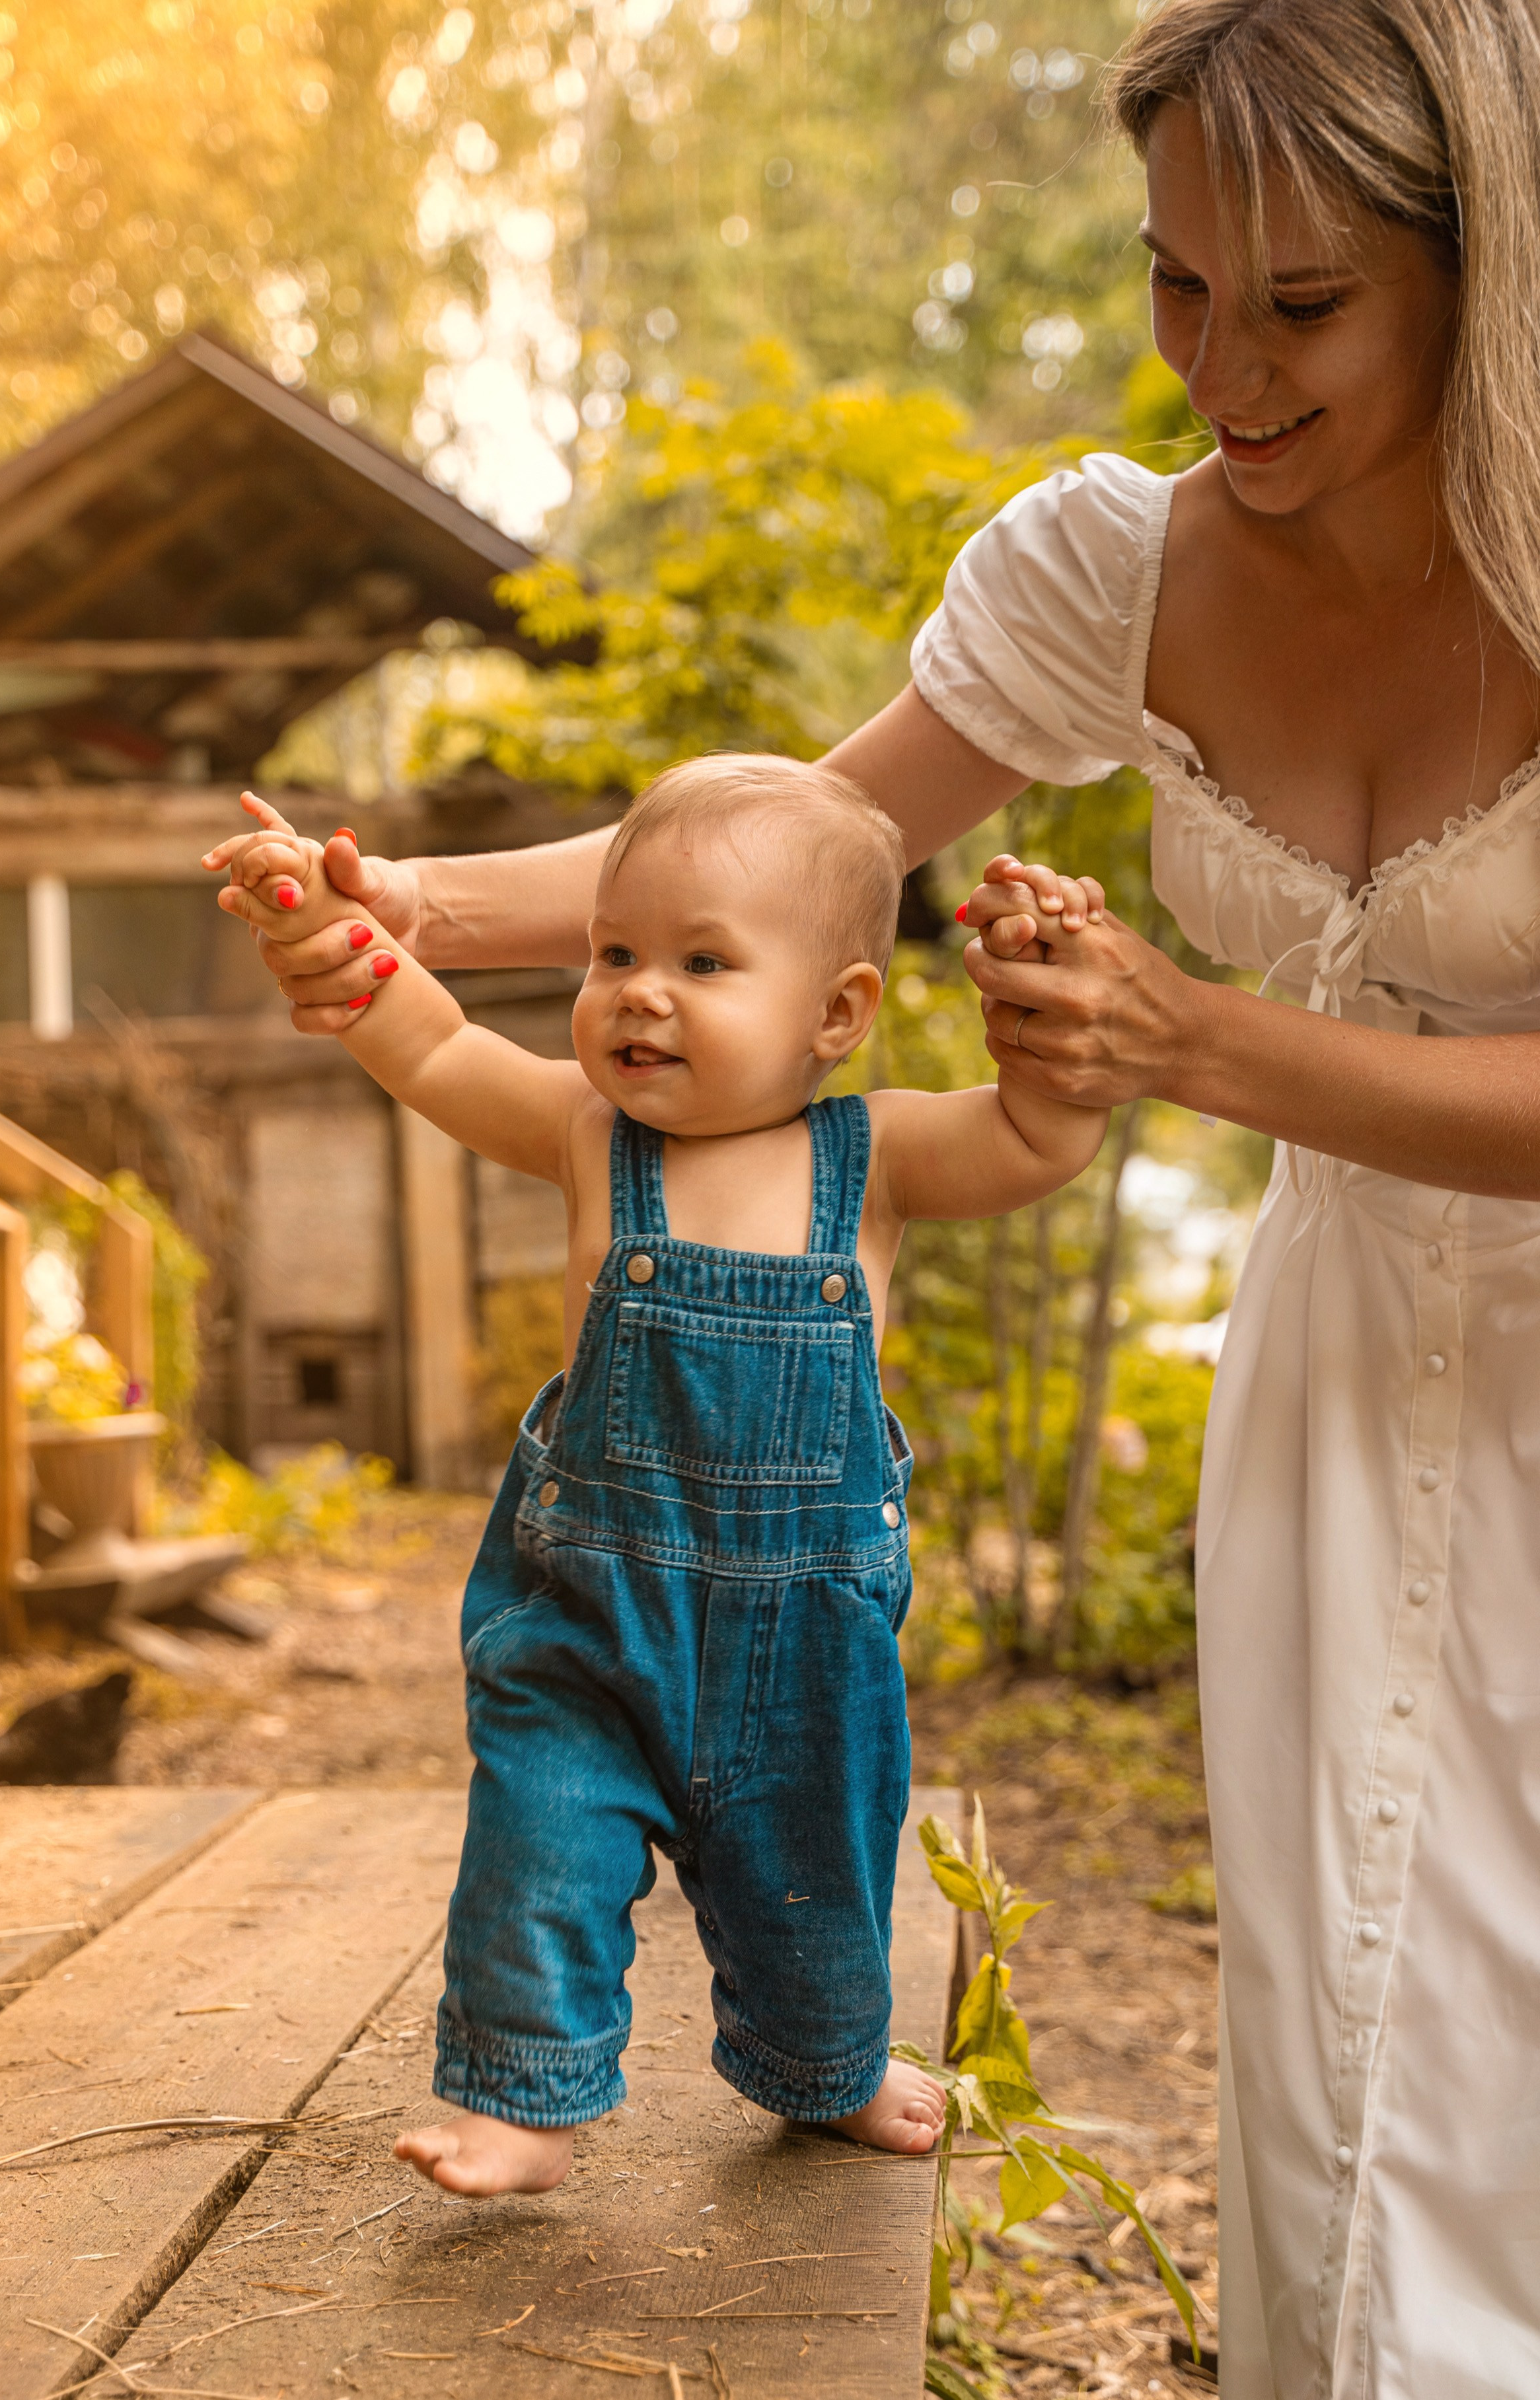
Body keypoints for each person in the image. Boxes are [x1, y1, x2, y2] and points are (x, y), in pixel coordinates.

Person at [212, 1, 1540, 2385]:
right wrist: (384, 890)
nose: (1218, 365)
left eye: (1304, 301)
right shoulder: (1116, 573)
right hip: (1336, 1378)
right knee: (1348, 2004)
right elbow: (771, 868)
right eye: (1173, 282)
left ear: (1493, 255)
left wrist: (1190, 1041)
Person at [206, 757, 1107, 2197]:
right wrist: (326, 923)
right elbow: (432, 1047)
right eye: (613, 952)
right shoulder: (585, 1131)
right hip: (589, 1612)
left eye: (702, 961)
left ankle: (826, 2065)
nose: (640, 991)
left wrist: (1053, 991)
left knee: (818, 1872)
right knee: (536, 1841)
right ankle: (523, 2091)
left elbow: (1036, 1132)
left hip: (805, 1637)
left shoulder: (868, 1161)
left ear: (837, 1012)